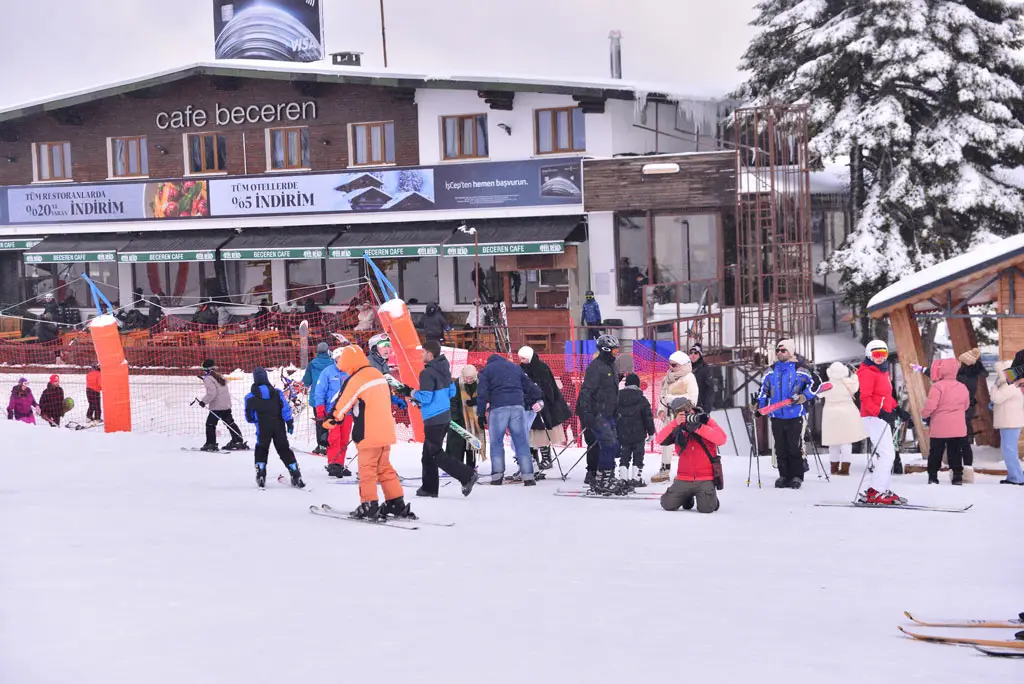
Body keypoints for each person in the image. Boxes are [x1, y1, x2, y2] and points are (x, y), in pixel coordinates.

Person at [327, 345, 416, 520]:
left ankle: (369, 504)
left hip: (368, 433)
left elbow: (342, 405)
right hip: (385, 432)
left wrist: (328, 424)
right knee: (384, 468)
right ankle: (396, 503)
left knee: (367, 470)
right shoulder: (378, 375)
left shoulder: (356, 379)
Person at [410, 341, 478, 497]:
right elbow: (451, 392)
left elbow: (426, 397)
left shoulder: (426, 373)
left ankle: (467, 475)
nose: (421, 355)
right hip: (444, 417)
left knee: (435, 454)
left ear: (430, 354)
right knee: (427, 455)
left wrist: (413, 393)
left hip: (433, 419)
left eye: (423, 352)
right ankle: (429, 488)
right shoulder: (445, 369)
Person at [757, 339, 817, 489]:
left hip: (795, 414)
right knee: (780, 447)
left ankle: (796, 476)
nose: (779, 353)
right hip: (776, 415)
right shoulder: (770, 371)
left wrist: (805, 396)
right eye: (778, 350)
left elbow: (815, 384)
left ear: (791, 352)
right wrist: (759, 406)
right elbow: (763, 390)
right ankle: (783, 475)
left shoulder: (801, 369)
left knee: (794, 446)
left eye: (783, 350)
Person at [856, 340, 911, 504]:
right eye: (876, 354)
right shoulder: (867, 372)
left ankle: (881, 489)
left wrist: (897, 409)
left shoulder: (883, 371)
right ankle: (875, 491)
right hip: (873, 417)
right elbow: (865, 399)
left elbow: (886, 396)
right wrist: (881, 413)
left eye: (883, 354)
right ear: (869, 355)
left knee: (888, 454)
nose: (880, 358)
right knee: (887, 454)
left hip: (882, 416)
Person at [477, 353, 543, 485]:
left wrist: (480, 413)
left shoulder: (486, 370)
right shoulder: (515, 368)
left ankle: (497, 476)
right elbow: (529, 386)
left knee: (496, 443)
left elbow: (482, 393)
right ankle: (528, 477)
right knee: (522, 442)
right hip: (517, 407)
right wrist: (538, 396)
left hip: (498, 409)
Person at [656, 397, 726, 513]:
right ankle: (686, 497)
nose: (687, 415)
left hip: (705, 477)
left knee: (706, 508)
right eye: (680, 412)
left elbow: (721, 439)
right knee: (667, 504)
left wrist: (699, 428)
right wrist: (675, 423)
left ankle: (711, 498)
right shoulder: (678, 426)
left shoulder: (704, 420)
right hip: (684, 477)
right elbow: (659, 439)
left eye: (687, 410)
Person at [577, 334, 626, 494]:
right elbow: (586, 392)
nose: (616, 353)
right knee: (608, 444)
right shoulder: (596, 367)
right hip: (598, 414)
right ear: (605, 350)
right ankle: (602, 479)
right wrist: (588, 414)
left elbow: (610, 390)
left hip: (610, 413)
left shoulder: (612, 365)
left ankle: (606, 476)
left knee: (613, 446)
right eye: (614, 350)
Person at [244, 367, 305, 489]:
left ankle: (261, 473)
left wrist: (254, 420)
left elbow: (249, 416)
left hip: (262, 427)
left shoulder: (249, 397)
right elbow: (285, 409)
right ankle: (295, 472)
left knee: (261, 449)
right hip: (278, 426)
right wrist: (289, 422)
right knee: (284, 449)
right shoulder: (277, 393)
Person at [518, 346, 572, 471]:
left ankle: (546, 458)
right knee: (530, 432)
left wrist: (540, 399)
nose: (521, 361)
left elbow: (549, 386)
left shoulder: (541, 368)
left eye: (524, 358)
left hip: (544, 404)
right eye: (520, 358)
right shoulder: (520, 369)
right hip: (526, 404)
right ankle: (533, 459)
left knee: (542, 432)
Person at [921, 357, 971, 486]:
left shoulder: (937, 387)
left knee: (936, 452)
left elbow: (931, 405)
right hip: (957, 427)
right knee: (955, 451)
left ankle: (933, 476)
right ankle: (957, 476)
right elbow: (966, 405)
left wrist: (925, 415)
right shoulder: (962, 386)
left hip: (939, 426)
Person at [652, 351, 699, 483]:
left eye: (674, 365)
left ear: (683, 365)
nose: (671, 367)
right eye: (670, 364)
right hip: (669, 415)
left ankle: (686, 471)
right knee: (666, 442)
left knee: (683, 443)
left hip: (683, 416)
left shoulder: (689, 377)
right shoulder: (669, 377)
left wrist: (671, 399)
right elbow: (663, 393)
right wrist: (661, 408)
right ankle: (664, 470)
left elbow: (692, 399)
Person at [817, 362, 866, 475]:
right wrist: (854, 375)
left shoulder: (827, 385)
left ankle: (834, 469)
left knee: (833, 442)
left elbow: (818, 394)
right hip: (848, 413)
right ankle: (845, 469)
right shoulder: (848, 383)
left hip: (831, 415)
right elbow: (856, 386)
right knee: (846, 442)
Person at [313, 348, 353, 477]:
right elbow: (319, 392)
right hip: (332, 413)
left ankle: (340, 465)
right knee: (334, 439)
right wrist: (320, 410)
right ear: (335, 359)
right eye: (339, 359)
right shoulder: (327, 372)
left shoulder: (351, 372)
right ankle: (333, 464)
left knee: (344, 440)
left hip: (348, 412)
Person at [197, 359, 247, 451]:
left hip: (217, 406)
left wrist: (203, 401)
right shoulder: (219, 376)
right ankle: (237, 440)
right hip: (226, 405)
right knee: (230, 422)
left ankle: (211, 444)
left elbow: (212, 393)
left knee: (210, 424)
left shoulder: (208, 378)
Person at [616, 373, 655, 486]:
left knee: (624, 455)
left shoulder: (618, 398)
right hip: (638, 433)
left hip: (623, 432)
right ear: (638, 385)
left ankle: (623, 478)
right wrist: (651, 432)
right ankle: (636, 478)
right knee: (638, 455)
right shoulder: (642, 399)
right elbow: (648, 417)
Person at [991, 360, 1024, 485]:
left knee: (1009, 450)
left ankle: (1017, 478)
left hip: (1010, 422)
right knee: (1010, 450)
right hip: (1011, 421)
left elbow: (997, 398)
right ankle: (1014, 476)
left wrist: (994, 386)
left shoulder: (1010, 385)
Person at [446, 364, 486, 468]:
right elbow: (452, 401)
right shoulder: (456, 384)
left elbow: (484, 398)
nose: (468, 380)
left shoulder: (479, 384)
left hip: (474, 420)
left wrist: (476, 402)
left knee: (472, 443)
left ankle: (471, 466)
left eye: (471, 378)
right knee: (456, 445)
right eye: (466, 378)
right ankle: (455, 466)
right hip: (458, 418)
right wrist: (454, 418)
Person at [956, 347, 987, 477]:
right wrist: (977, 363)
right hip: (970, 406)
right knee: (966, 434)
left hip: (959, 406)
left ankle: (960, 463)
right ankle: (968, 464)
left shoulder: (961, 375)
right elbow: (985, 373)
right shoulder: (975, 372)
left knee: (958, 436)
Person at [302, 342, 333, 455]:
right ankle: (329, 444)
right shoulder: (333, 363)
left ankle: (321, 445)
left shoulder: (311, 364)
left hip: (317, 398)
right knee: (330, 421)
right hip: (330, 398)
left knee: (319, 421)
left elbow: (306, 381)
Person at [688, 344, 716, 413]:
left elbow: (709, 390)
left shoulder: (705, 369)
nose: (693, 355)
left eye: (696, 353)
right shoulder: (686, 368)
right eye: (691, 353)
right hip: (687, 406)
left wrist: (706, 409)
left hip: (700, 407)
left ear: (700, 355)